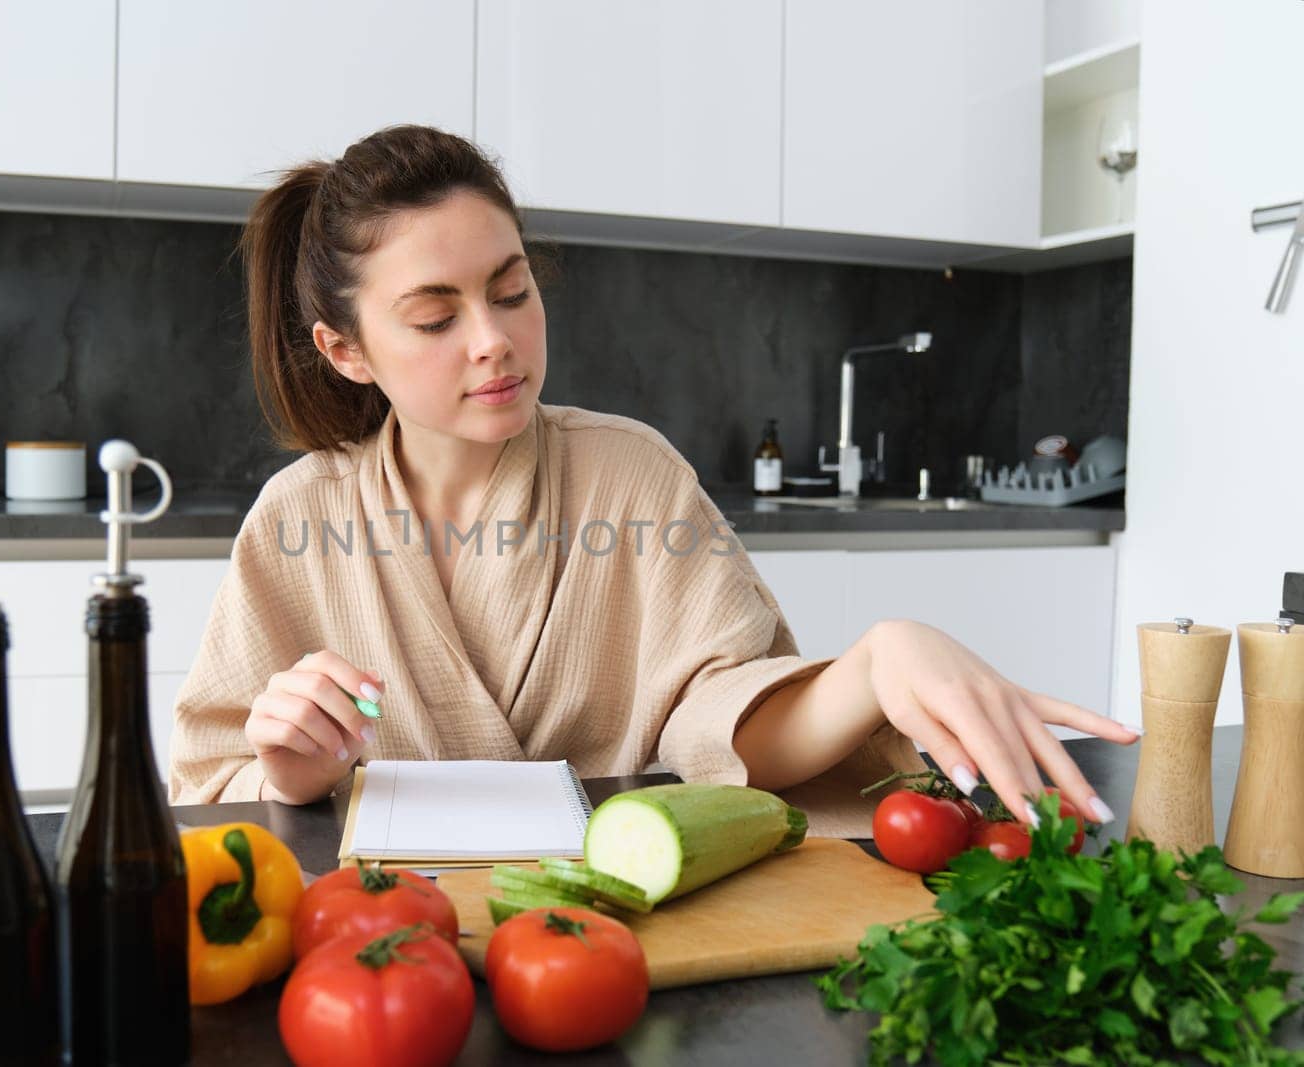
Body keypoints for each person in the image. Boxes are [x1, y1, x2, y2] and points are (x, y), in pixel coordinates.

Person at [169, 124, 1138, 828]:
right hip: (383, 948)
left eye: (512, 291)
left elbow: (724, 719)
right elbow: (208, 788)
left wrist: (875, 664)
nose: (494, 340)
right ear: (347, 350)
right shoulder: (298, 517)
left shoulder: (629, 474)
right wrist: (288, 769)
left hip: (621, 931)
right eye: (435, 317)